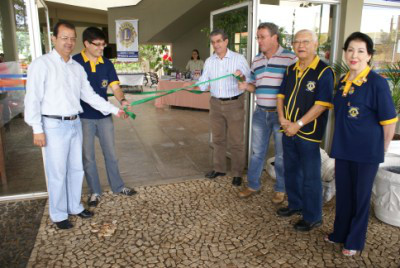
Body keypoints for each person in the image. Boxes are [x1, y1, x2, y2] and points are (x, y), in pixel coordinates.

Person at [24, 21, 126, 230]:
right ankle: (59, 213)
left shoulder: (76, 67)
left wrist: (116, 109)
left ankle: (75, 206)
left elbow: (89, 95)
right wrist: (37, 128)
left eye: (72, 38)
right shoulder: (42, 64)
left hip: (74, 122)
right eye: (64, 38)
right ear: (53, 39)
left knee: (76, 168)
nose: (69, 42)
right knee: (58, 171)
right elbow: (32, 98)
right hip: (53, 124)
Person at [326, 32, 397, 256]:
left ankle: (354, 241)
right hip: (343, 149)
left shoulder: (377, 83)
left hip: (366, 152)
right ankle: (340, 233)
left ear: (369, 56)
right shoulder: (343, 81)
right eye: (350, 50)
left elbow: (389, 122)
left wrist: (382, 149)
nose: (353, 55)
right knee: (344, 194)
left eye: (360, 51)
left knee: (360, 198)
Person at [276, 29, 334, 231]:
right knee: (291, 170)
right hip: (287, 129)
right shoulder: (290, 69)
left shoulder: (324, 72)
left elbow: (321, 105)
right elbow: (280, 96)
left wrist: (297, 125)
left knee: (310, 176)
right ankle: (295, 205)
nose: (301, 45)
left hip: (308, 134)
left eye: (306, 41)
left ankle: (313, 216)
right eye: (297, 41)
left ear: (315, 44)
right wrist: (282, 119)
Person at [72, 27, 137, 208]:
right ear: (86, 44)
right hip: (83, 118)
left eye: (103, 44)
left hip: (104, 116)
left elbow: (115, 87)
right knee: (88, 157)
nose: (102, 48)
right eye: (98, 44)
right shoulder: (75, 62)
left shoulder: (107, 64)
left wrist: (122, 100)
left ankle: (118, 186)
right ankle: (95, 191)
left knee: (111, 153)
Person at [237, 22, 297, 203]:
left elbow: (295, 88)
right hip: (260, 113)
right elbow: (256, 86)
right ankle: (253, 185)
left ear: (274, 37)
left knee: (281, 155)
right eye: (258, 37)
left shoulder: (290, 59)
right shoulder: (256, 60)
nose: (259, 40)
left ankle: (281, 188)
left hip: (281, 116)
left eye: (262, 37)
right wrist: (245, 85)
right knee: (257, 152)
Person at [197, 29, 250, 186]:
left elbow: (247, 79)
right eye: (213, 42)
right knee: (218, 139)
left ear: (226, 41)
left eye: (219, 41)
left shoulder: (238, 59)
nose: (216, 45)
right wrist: (193, 85)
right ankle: (219, 168)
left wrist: (240, 76)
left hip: (234, 103)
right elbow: (203, 83)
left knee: (236, 141)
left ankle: (237, 172)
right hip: (215, 103)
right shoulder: (209, 61)